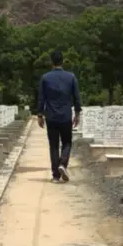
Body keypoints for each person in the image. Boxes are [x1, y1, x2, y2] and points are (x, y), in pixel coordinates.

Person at [36, 49, 81, 182]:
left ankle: (56, 175)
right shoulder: (71, 77)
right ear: (63, 61)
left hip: (51, 116)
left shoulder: (45, 78)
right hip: (66, 116)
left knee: (54, 145)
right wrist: (77, 113)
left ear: (52, 62)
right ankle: (63, 164)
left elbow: (41, 98)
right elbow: (77, 97)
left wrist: (40, 114)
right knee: (67, 142)